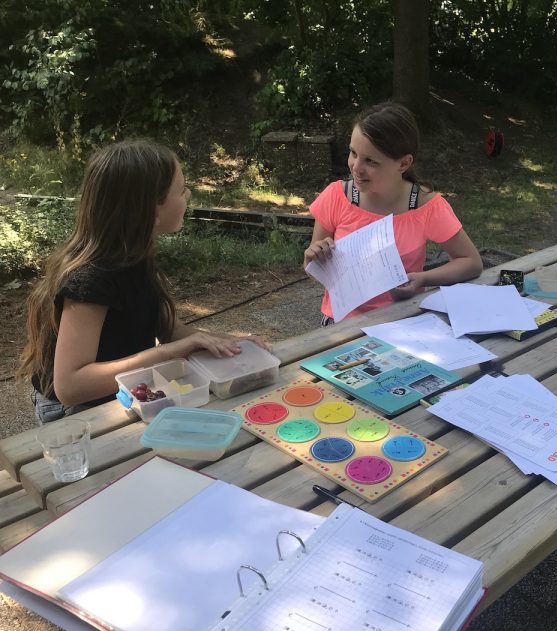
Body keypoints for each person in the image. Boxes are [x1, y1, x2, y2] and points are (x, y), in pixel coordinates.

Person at [18, 140, 261, 424]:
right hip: (76, 414)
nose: (189, 194)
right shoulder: (91, 280)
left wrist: (233, 344)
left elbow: (170, 329)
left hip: (123, 393)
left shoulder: (134, 255)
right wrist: (166, 353)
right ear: (150, 208)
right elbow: (70, 387)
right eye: (181, 189)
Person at [303, 102, 483, 323]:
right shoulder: (337, 197)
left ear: (404, 163)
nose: (356, 167)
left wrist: (423, 278)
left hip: (403, 323)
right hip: (342, 327)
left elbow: (471, 262)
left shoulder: (425, 206)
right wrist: (313, 257)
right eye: (353, 153)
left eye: (371, 161)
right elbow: (313, 270)